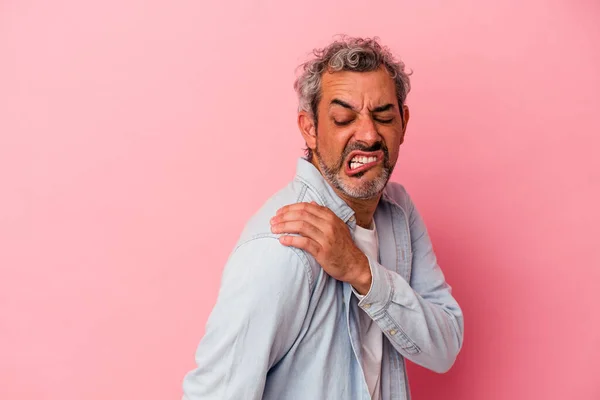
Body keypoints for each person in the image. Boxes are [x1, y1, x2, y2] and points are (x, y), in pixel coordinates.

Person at [182, 36, 464, 400]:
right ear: (310, 128)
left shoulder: (398, 212)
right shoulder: (282, 247)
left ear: (403, 123)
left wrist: (362, 271)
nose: (368, 135)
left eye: (383, 116)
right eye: (344, 119)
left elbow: (444, 348)